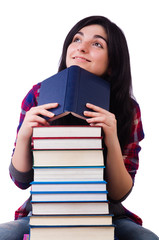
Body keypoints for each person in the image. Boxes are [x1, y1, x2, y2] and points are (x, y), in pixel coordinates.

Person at [0, 16, 158, 240]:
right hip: (43, 212)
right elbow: (20, 181)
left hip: (107, 215)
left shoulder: (128, 109)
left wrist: (111, 138)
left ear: (113, 64)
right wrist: (25, 134)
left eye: (97, 44)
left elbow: (119, 193)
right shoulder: (38, 94)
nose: (81, 47)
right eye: (76, 39)